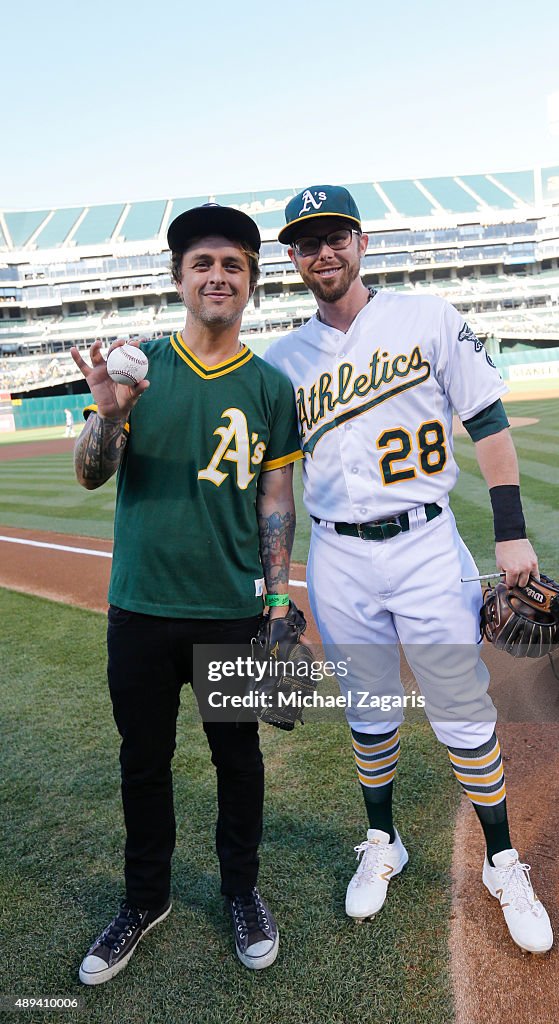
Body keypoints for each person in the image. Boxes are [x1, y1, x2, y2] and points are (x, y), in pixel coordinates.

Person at [263, 185, 553, 954]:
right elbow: (277, 480)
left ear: (360, 242)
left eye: (335, 236)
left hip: (426, 546)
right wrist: (276, 582)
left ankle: (501, 860)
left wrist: (511, 535)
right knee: (369, 709)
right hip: (337, 556)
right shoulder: (282, 358)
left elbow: (486, 420)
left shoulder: (426, 317)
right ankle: (382, 841)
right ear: (291, 257)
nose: (322, 252)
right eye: (305, 241)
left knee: (462, 711)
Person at [71, 203, 302, 983]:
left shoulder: (272, 386)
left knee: (239, 760)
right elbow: (91, 470)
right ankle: (144, 899)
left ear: (250, 285)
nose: (217, 275)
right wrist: (108, 418)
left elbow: (275, 500)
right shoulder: (139, 367)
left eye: (233, 264)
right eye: (202, 263)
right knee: (145, 760)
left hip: (234, 610)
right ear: (178, 279)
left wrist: (277, 600)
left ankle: (241, 890)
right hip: (139, 607)